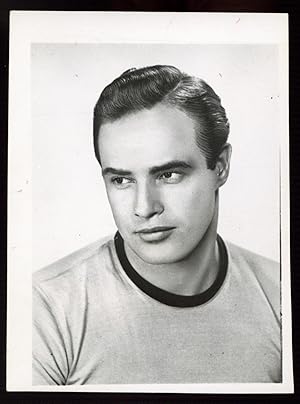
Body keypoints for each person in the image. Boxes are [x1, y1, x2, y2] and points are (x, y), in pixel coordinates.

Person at [33, 65, 281, 385]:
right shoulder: (47, 309)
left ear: (220, 167)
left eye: (168, 174)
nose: (143, 208)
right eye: (121, 179)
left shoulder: (279, 297)